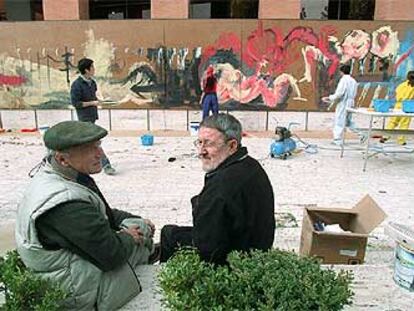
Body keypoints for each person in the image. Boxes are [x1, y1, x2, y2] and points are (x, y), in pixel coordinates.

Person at [15, 121, 159, 310]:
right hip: (72, 290)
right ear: (62, 159)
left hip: (70, 266)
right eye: (90, 149)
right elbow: (111, 254)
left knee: (137, 224)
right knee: (138, 234)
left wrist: (134, 220)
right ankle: (150, 252)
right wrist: (130, 237)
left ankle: (148, 249)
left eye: (98, 145)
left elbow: (105, 213)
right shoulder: (65, 205)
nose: (100, 154)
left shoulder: (65, 174)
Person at [160, 113, 275, 265]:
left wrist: (199, 204)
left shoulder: (221, 186)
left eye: (209, 144)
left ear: (232, 146)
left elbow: (208, 247)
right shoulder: (251, 164)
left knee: (169, 234)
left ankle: (168, 282)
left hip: (234, 262)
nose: (201, 151)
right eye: (199, 142)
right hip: (253, 247)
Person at [70, 57, 116, 175]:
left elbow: (94, 97)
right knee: (95, 142)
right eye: (92, 67)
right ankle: (106, 165)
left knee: (86, 143)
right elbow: (76, 103)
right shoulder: (77, 85)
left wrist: (102, 100)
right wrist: (92, 103)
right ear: (86, 70)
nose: (94, 69)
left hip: (92, 115)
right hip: (84, 118)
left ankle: (76, 163)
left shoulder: (92, 83)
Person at [322, 64, 363, 145]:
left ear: (341, 72)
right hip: (351, 102)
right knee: (348, 122)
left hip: (344, 103)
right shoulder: (353, 81)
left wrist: (330, 98)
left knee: (339, 120)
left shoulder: (344, 80)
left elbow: (340, 93)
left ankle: (337, 139)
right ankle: (362, 134)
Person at [381, 71, 414, 145]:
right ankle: (399, 140)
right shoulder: (410, 86)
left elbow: (397, 94)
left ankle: (387, 136)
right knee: (403, 123)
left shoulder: (401, 85)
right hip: (406, 107)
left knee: (394, 122)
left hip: (399, 106)